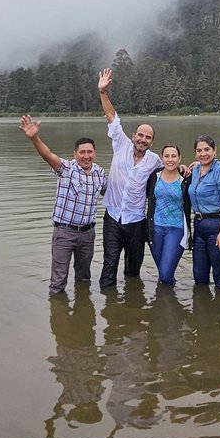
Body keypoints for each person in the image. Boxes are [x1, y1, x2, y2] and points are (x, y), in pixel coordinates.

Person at [20, 114, 107, 295]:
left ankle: (83, 313)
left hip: (88, 234)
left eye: (90, 152)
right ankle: (58, 313)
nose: (86, 156)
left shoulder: (99, 173)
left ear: (95, 153)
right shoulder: (65, 168)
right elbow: (47, 155)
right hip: (64, 232)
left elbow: (111, 194)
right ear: (75, 154)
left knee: (84, 278)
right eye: (82, 152)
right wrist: (34, 137)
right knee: (58, 282)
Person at [96, 67, 162, 289]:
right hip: (113, 217)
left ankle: (132, 310)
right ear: (133, 136)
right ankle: (109, 307)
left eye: (148, 137)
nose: (143, 139)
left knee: (134, 269)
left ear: (152, 142)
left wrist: (186, 168)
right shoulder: (121, 144)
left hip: (136, 222)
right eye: (140, 135)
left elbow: (171, 171)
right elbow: (112, 117)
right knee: (109, 264)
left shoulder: (155, 161)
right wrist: (103, 93)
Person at [186, 135, 220, 289]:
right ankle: (202, 309)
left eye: (207, 149)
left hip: (218, 225)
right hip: (200, 226)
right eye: (199, 151)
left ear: (215, 151)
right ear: (195, 153)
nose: (203, 154)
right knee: (199, 276)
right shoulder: (195, 170)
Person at [145, 144, 189, 285]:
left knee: (165, 274)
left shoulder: (186, 179)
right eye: (167, 156)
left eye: (174, 156)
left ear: (179, 158)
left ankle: (167, 302)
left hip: (176, 229)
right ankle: (165, 300)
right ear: (161, 158)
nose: (170, 160)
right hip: (155, 228)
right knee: (163, 272)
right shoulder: (154, 176)